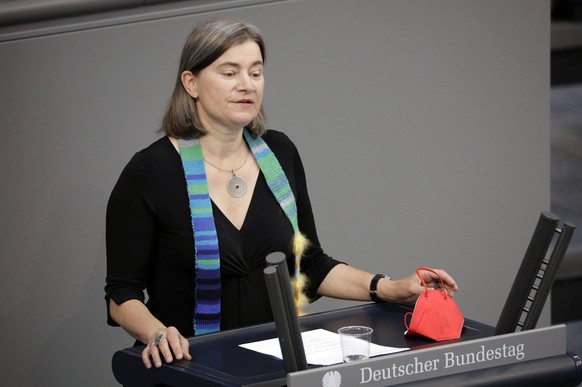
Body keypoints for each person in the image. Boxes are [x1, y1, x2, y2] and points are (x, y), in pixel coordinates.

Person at [105, 18, 459, 370]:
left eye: (256, 73)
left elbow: (310, 264)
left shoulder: (280, 152)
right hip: (189, 368)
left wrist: (393, 288)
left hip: (271, 366)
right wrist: (156, 333)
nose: (247, 85)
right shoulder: (149, 172)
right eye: (230, 73)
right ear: (191, 82)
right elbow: (122, 295)